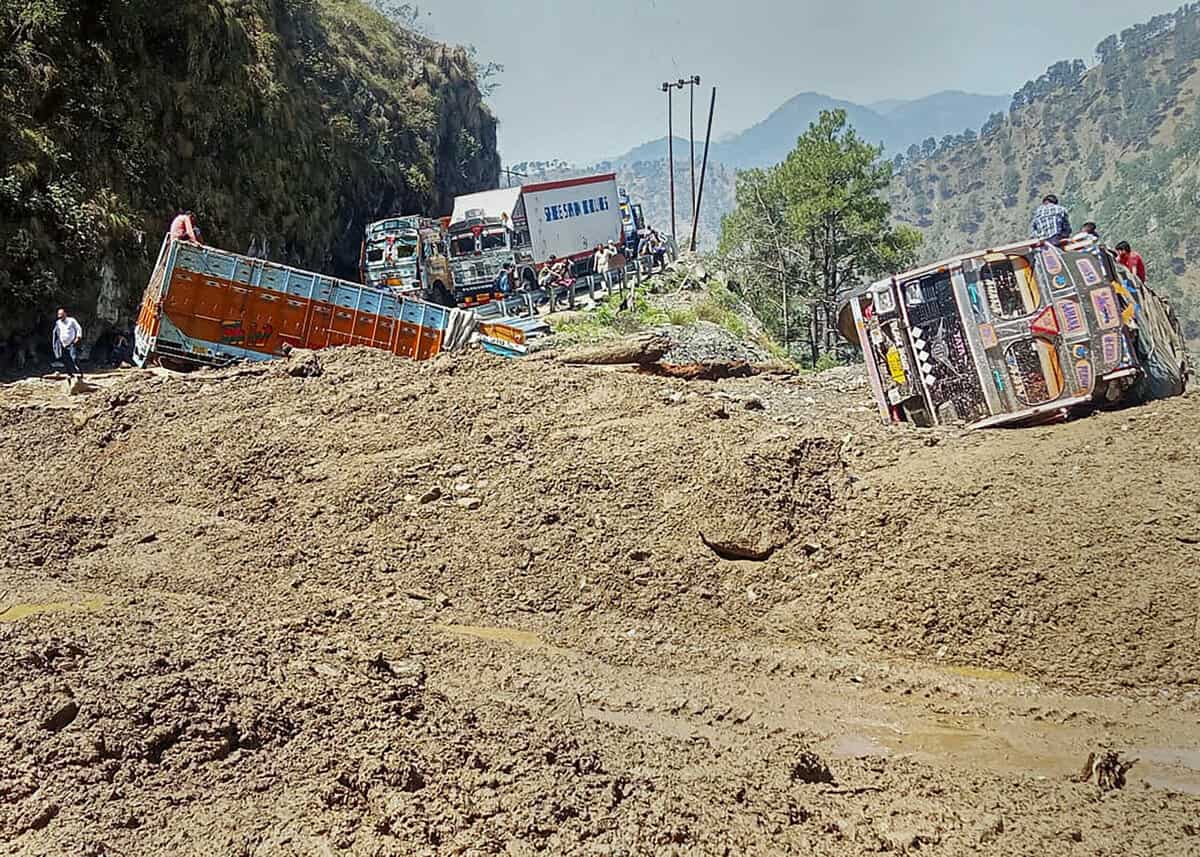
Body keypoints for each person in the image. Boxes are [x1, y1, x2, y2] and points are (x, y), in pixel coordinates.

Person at [52, 308, 83, 380]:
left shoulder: (71, 320)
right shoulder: (58, 322)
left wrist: (78, 337)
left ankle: (79, 372)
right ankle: (70, 374)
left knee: (74, 358)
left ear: (65, 314)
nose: (60, 317)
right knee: (65, 359)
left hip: (72, 343)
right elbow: (55, 333)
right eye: (59, 315)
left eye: (61, 315)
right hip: (63, 344)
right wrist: (56, 344)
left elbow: (78, 328)